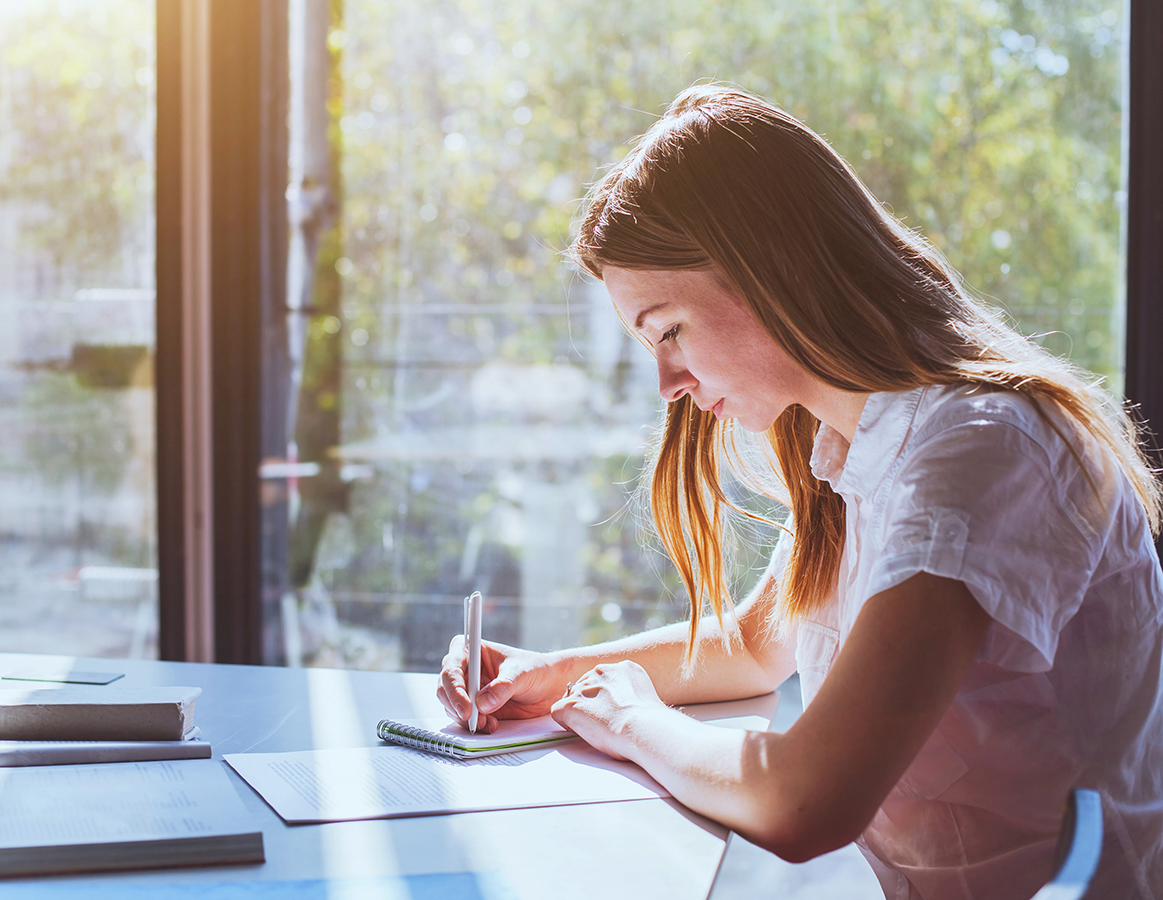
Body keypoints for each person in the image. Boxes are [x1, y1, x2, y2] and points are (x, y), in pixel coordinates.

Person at [437, 84, 1163, 899]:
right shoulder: (854, 448)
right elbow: (753, 648)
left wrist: (630, 721)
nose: (667, 382)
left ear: (773, 268)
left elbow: (802, 801)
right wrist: (553, 671)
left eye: (669, 329)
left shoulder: (979, 454)